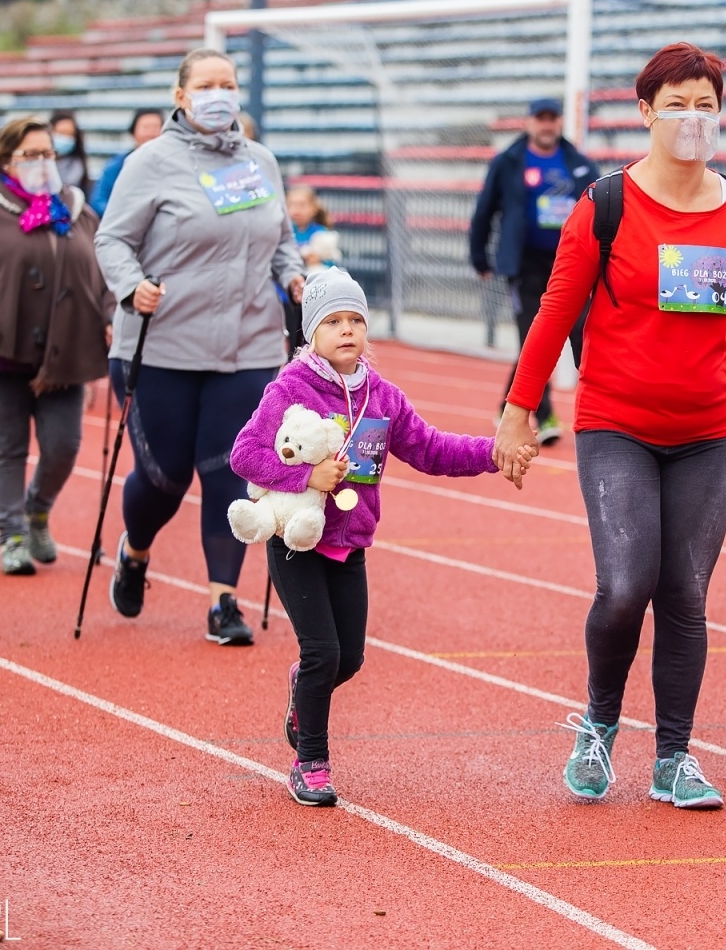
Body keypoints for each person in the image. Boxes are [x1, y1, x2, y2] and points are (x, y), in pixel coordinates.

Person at [493, 43, 726, 810]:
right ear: (645, 112)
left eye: (706, 104)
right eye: (677, 103)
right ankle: (598, 726)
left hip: (708, 431)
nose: (693, 118)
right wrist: (519, 411)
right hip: (616, 421)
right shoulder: (606, 205)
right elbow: (555, 309)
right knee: (625, 587)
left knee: (685, 593)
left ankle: (674, 758)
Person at [229, 268, 515, 806]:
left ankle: (302, 695)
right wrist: (304, 477)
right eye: (332, 321)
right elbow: (245, 455)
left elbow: (432, 449)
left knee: (349, 659)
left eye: (355, 320)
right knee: (322, 652)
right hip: (297, 540)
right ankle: (310, 761)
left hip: (350, 543)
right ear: (310, 332)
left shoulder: (382, 397)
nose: (346, 330)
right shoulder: (288, 389)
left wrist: (492, 453)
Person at [94, 46, 306, 646]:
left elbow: (282, 240)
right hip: (163, 346)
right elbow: (112, 241)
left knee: (232, 474)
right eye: (206, 84)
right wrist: (132, 287)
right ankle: (135, 551)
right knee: (164, 478)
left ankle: (223, 602)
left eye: (228, 83)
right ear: (180, 96)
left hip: (248, 347)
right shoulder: (151, 162)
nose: (220, 94)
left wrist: (294, 277)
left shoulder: (261, 161)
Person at [0, 117, 113, 576]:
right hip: (4, 351)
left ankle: (37, 509)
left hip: (66, 349)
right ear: (7, 161)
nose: (41, 162)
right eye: (30, 155)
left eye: (47, 153)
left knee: (64, 446)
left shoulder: (75, 208)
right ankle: (10, 534)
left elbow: (105, 265)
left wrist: (110, 315)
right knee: (8, 447)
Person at [469, 97, 598, 446]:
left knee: (583, 332)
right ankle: (544, 413)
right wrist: (479, 257)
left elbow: (602, 212)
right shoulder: (508, 162)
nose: (546, 125)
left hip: (571, 265)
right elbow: (484, 211)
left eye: (552, 118)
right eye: (540, 119)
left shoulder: (579, 164)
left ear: (559, 122)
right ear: (529, 123)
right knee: (533, 337)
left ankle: (515, 408)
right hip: (525, 264)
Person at [280, 184, 341, 348]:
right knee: (287, 341)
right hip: (285, 298)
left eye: (301, 205)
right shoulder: (284, 232)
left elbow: (330, 263)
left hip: (310, 299)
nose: (295, 210)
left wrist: (319, 260)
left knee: (304, 343)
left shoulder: (321, 233)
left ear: (313, 208)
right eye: (291, 204)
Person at [90, 108, 163, 216]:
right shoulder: (117, 165)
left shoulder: (171, 164)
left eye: (156, 128)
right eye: (146, 127)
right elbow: (98, 201)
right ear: (133, 132)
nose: (151, 133)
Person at [49, 110, 90, 195]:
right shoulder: (42, 162)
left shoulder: (77, 165)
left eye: (70, 134)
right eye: (61, 133)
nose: (66, 138)